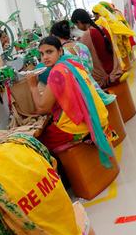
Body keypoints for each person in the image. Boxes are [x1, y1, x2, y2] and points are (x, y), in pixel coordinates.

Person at [31, 36, 116, 164]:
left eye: (49, 52)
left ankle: (67, 177)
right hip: (98, 116)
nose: (45, 57)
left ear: (60, 51)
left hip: (79, 127)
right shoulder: (72, 63)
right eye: (41, 54)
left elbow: (43, 108)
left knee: (39, 143)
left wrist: (32, 86)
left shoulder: (57, 73)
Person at [71, 9, 122, 87]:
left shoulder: (88, 34)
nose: (78, 27)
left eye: (77, 25)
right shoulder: (102, 28)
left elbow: (81, 55)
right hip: (114, 69)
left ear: (79, 22)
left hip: (104, 77)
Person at [93, 2, 136, 78]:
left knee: (119, 52)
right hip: (118, 36)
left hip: (115, 38)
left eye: (94, 14)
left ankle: (125, 67)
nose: (94, 16)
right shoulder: (111, 16)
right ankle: (127, 66)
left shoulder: (102, 20)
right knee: (122, 51)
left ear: (98, 13)